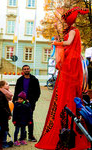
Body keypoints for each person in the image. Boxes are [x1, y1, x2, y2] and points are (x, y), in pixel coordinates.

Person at [35, 7, 91, 149]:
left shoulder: (73, 31)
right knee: (64, 89)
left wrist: (57, 43)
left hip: (71, 63)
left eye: (65, 21)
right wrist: (59, 40)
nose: (64, 23)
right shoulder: (70, 30)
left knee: (67, 89)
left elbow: (68, 43)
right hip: (69, 61)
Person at [13, 65, 41, 142]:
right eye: (25, 69)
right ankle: (23, 136)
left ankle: (31, 135)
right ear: (23, 71)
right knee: (21, 118)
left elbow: (38, 92)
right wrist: (15, 100)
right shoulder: (19, 80)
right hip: (20, 103)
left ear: (30, 70)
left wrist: (33, 101)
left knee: (30, 118)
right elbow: (16, 91)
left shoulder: (34, 80)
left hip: (30, 103)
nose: (26, 70)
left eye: (27, 69)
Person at [0, 80, 12, 150]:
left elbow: (6, 105)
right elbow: (1, 106)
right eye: (6, 84)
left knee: (4, 129)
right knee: (3, 130)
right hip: (1, 115)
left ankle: (2, 142)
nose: (8, 85)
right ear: (1, 86)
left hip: (3, 115)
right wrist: (8, 113)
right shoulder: (0, 94)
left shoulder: (3, 93)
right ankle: (3, 143)